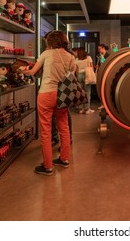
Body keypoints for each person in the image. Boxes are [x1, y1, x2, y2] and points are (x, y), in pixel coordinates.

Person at [21, 30, 74, 175]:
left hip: (46, 94)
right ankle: (64, 159)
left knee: (46, 130)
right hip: (62, 95)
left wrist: (21, 70)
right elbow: (71, 75)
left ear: (51, 41)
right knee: (63, 126)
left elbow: (32, 72)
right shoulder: (70, 56)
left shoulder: (47, 53)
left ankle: (48, 166)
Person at [76, 47, 94, 114]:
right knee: (87, 93)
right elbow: (91, 66)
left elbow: (76, 70)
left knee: (81, 93)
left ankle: (81, 109)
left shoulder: (77, 59)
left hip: (79, 75)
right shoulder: (88, 58)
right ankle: (87, 109)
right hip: (87, 75)